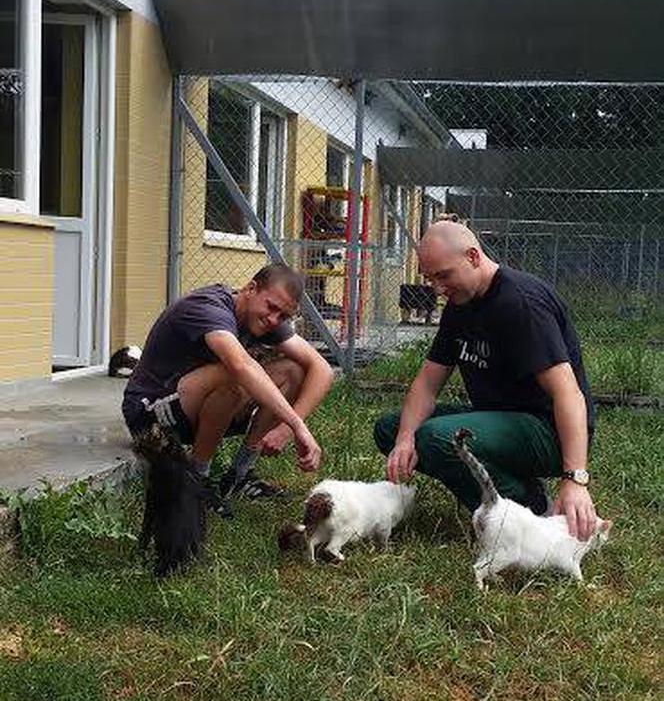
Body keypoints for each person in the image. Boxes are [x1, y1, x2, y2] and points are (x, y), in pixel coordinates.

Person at [374, 218, 598, 540]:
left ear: (473, 257)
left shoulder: (521, 302)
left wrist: (575, 477)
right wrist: (405, 437)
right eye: (429, 278)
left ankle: (528, 516)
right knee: (391, 430)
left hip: (548, 430)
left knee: (441, 438)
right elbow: (426, 383)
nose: (437, 288)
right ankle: (520, 490)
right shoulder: (459, 305)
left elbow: (568, 394)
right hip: (504, 421)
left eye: (443, 275)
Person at [122, 264, 334, 506]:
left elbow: (322, 370)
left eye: (284, 316)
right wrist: (298, 426)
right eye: (271, 307)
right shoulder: (208, 307)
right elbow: (241, 365)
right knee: (234, 374)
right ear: (250, 289)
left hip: (194, 409)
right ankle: (196, 483)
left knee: (293, 372)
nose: (274, 319)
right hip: (149, 416)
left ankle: (239, 477)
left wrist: (287, 429)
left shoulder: (265, 319)